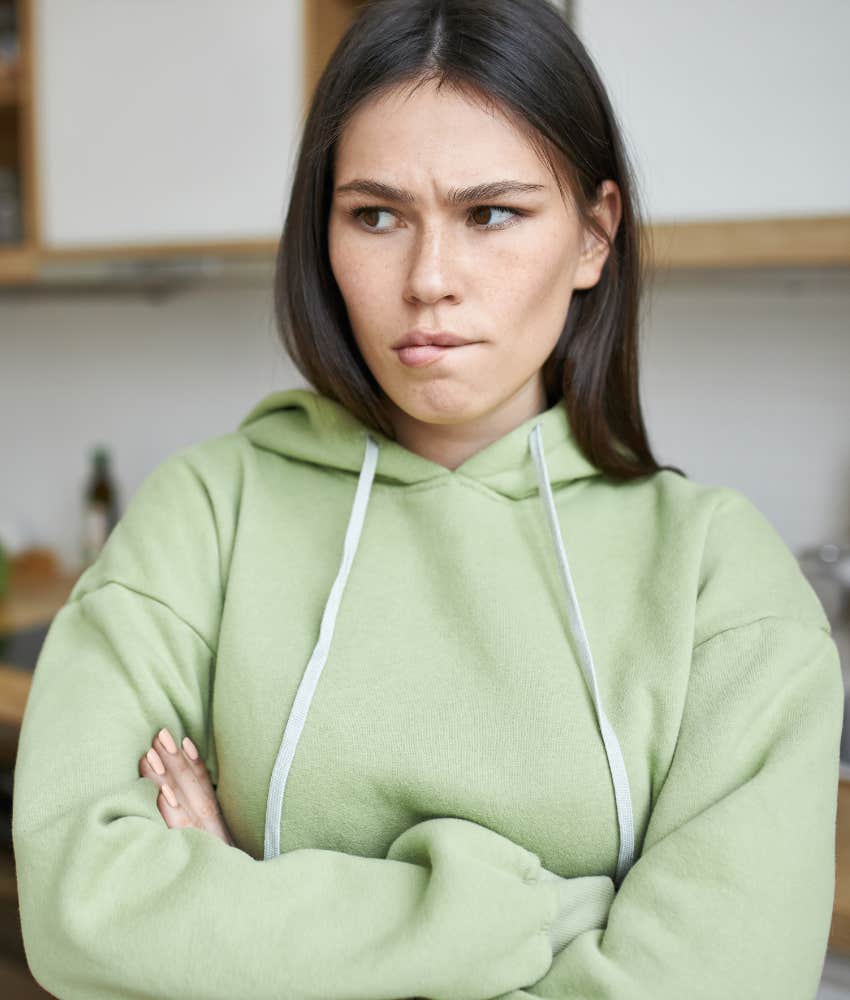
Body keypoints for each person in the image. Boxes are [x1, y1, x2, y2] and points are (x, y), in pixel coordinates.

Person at [12, 1, 843, 997]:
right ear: (322, 235)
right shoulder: (204, 513)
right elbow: (82, 915)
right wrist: (552, 911)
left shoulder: (721, 578)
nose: (428, 279)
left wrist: (246, 915)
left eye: (490, 213)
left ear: (593, 236)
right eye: (375, 215)